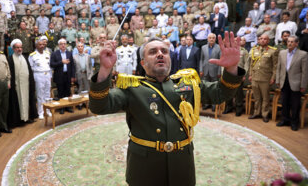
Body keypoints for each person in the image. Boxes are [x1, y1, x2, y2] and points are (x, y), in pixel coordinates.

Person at [89, 32, 244, 186]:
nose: (160, 54)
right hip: (144, 169)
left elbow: (220, 94)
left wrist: (231, 68)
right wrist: (104, 70)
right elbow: (99, 107)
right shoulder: (132, 88)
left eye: (164, 51)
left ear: (170, 58)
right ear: (143, 63)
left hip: (181, 166)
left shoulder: (187, 83)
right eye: (152, 52)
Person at [276, 36, 308, 131]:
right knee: (284, 102)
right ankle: (285, 120)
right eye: (288, 41)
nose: (289, 43)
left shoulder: (303, 54)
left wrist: (303, 85)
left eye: (292, 42)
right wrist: (277, 80)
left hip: (296, 83)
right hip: (284, 81)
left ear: (296, 43)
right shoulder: (282, 53)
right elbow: (279, 68)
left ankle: (294, 122)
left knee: (295, 104)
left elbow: (305, 71)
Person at [248, 34, 278, 123]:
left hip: (266, 78)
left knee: (265, 98)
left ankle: (265, 114)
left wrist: (273, 77)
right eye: (261, 39)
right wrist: (250, 74)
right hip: (255, 77)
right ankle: (256, 112)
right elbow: (251, 64)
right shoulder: (254, 50)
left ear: (268, 41)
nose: (262, 40)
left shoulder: (273, 51)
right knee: (257, 97)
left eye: (265, 39)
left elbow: (275, 66)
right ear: (258, 40)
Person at [7, 39, 37, 128]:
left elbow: (30, 72)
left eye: (20, 47)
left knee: (27, 100)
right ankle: (19, 120)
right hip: (17, 86)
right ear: (13, 48)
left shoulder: (25, 57)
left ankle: (27, 118)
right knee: (18, 102)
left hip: (26, 85)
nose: (19, 49)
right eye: (17, 47)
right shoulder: (10, 59)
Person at [224, 37, 249, 116]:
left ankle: (238, 109)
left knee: (238, 93)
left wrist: (243, 75)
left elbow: (246, 64)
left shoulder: (243, 51)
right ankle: (229, 107)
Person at [50, 38, 75, 114]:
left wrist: (72, 76)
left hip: (68, 75)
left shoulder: (69, 53)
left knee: (67, 92)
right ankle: (61, 108)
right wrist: (61, 62)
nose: (63, 45)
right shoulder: (54, 53)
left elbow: (72, 65)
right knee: (60, 93)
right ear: (59, 45)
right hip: (59, 76)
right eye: (61, 44)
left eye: (64, 43)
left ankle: (68, 107)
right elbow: (52, 64)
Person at [28, 39, 52, 119]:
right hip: (38, 75)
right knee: (40, 95)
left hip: (47, 74)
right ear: (36, 46)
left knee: (47, 93)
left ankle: (48, 110)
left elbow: (50, 66)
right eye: (40, 45)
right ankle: (41, 112)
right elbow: (30, 68)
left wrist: (50, 76)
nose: (42, 46)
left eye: (43, 44)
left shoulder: (47, 53)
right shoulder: (32, 55)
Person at [199, 33, 222, 111]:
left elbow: (220, 61)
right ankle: (206, 104)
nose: (211, 39)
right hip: (205, 71)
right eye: (210, 38)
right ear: (207, 39)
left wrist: (219, 72)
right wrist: (201, 70)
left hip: (215, 72)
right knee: (205, 88)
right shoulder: (203, 47)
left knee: (214, 89)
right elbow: (201, 60)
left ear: (215, 39)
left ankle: (214, 104)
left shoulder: (219, 48)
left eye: (213, 38)